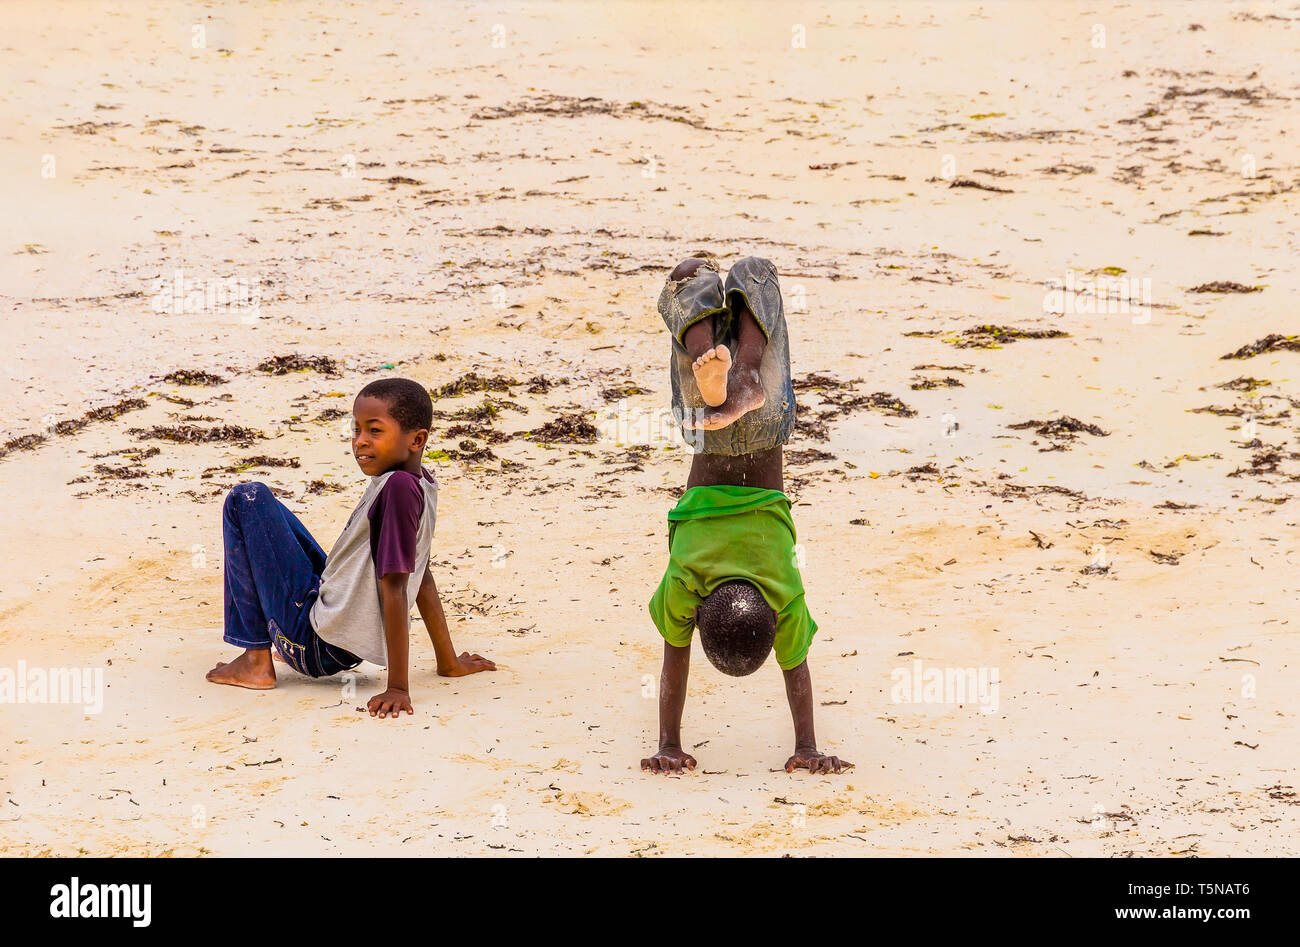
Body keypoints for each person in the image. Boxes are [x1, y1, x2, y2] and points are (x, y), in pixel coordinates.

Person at [643, 256, 851, 775]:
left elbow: (794, 666)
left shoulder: (782, 587)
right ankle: (713, 358)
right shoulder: (686, 580)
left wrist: (808, 744)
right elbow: (675, 653)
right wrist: (667, 741)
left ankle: (748, 370)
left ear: (774, 618)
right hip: (705, 429)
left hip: (764, 433)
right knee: (687, 278)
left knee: (756, 272)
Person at [205, 377, 495, 717]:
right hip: (332, 632)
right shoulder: (419, 482)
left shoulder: (399, 489)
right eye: (356, 430)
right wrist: (448, 661)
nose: (360, 442)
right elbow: (424, 574)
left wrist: (398, 687)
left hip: (313, 645)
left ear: (416, 440)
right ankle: (269, 647)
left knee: (246, 498)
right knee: (266, 508)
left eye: (375, 431)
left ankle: (255, 660)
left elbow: (397, 587)